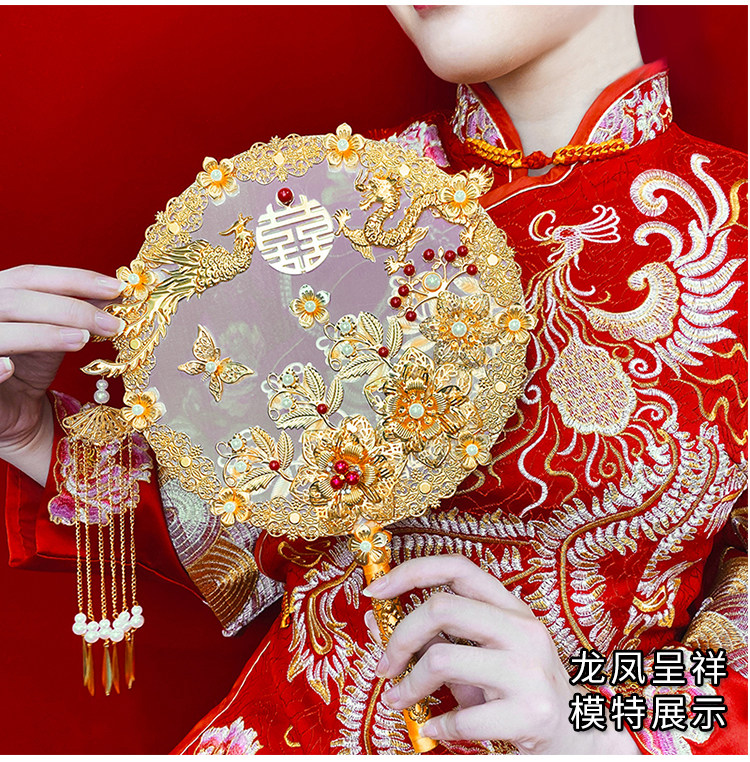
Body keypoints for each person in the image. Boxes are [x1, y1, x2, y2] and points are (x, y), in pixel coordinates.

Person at [1, 5, 746, 755]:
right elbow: (235, 533)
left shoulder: (733, 226)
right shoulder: (323, 201)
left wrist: (592, 716)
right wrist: (29, 433)